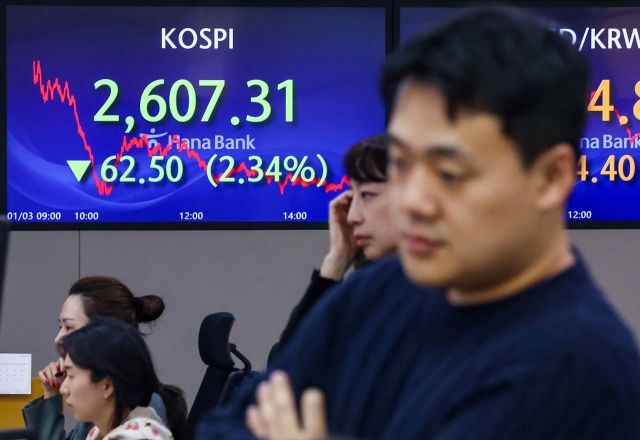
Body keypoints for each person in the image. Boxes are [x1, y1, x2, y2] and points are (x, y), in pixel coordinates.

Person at [196, 7, 640, 439]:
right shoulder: (377, 293)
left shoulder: (577, 370)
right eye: (402, 165)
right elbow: (225, 426)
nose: (413, 201)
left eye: (449, 173)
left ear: (551, 177)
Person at [268, 135, 397, 363]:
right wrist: (338, 258)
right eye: (352, 195)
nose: (352, 216)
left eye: (366, 195)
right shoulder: (369, 290)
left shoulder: (435, 302)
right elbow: (286, 367)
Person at [23, 276, 170, 440]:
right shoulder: (102, 397)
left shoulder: (137, 413)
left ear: (105, 332)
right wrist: (51, 392)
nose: (58, 338)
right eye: (60, 327)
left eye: (69, 327)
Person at [60, 317, 187, 440]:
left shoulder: (135, 437)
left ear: (107, 386)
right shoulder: (98, 432)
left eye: (71, 376)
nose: (63, 389)